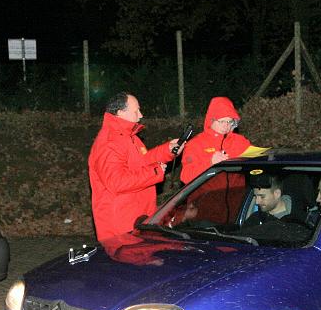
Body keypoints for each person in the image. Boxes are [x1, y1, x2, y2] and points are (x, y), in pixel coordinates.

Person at [88, 92, 183, 241]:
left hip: (136, 218)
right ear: (120, 113)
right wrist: (155, 172)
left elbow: (142, 160)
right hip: (120, 225)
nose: (140, 115)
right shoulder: (109, 143)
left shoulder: (128, 137)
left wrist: (167, 150)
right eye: (136, 111)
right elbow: (117, 182)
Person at [180, 96, 252, 184]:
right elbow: (186, 176)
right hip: (206, 196)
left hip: (237, 195)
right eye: (222, 121)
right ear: (211, 120)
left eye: (229, 122)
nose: (226, 125)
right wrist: (210, 162)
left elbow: (257, 161)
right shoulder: (195, 144)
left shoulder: (240, 141)